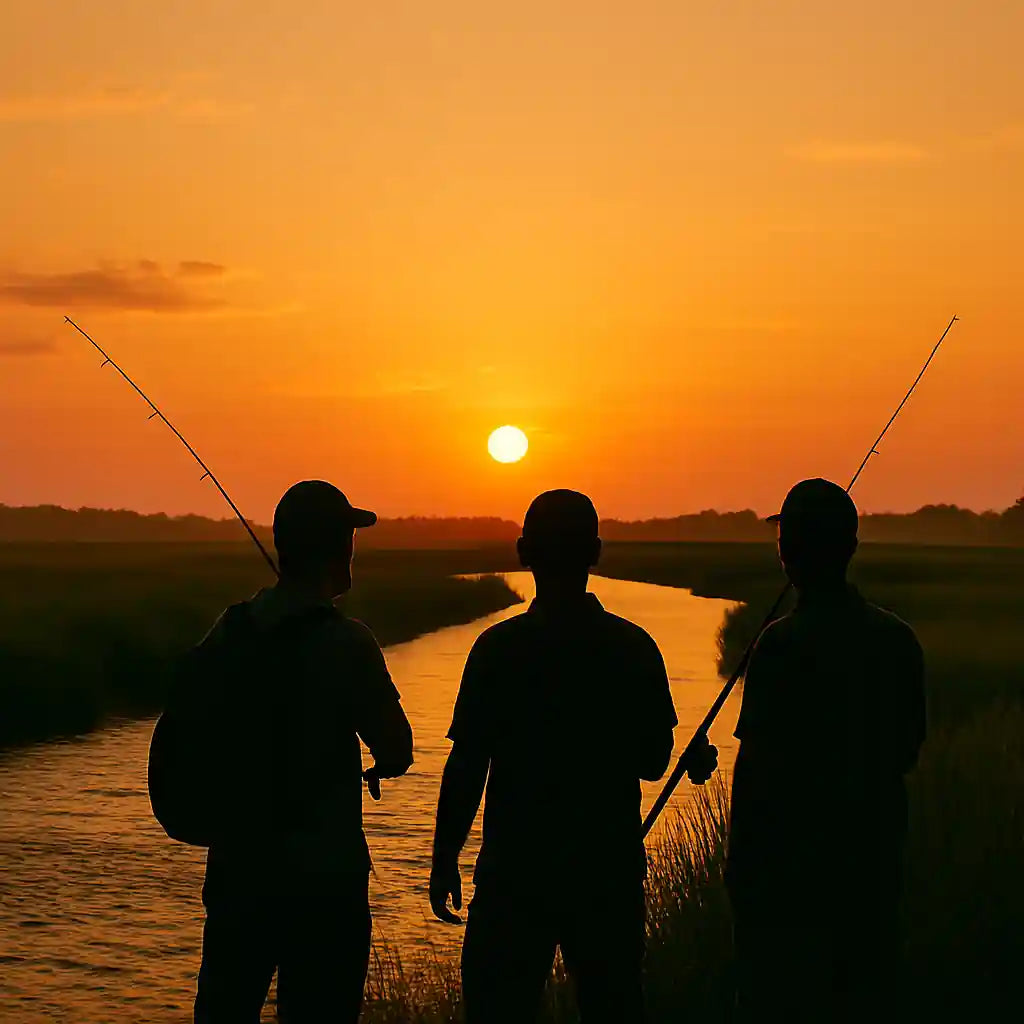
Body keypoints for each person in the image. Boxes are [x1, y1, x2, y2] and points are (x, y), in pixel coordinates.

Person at [429, 489, 718, 1024]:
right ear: (597, 553)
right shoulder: (634, 648)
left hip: (513, 877)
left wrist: (445, 856)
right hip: (607, 876)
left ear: (523, 552)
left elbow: (467, 764)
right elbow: (654, 762)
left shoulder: (497, 649)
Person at [192, 480, 414, 1024]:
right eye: (347, 540)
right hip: (324, 880)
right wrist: (378, 765)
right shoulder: (348, 641)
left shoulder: (228, 629)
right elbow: (397, 746)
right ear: (339, 550)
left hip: (237, 871)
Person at [725, 478, 926, 1022]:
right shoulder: (897, 640)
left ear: (787, 552)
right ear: (851, 547)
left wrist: (739, 871)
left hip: (788, 882)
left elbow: (758, 771)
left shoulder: (781, 646)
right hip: (872, 869)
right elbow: (907, 751)